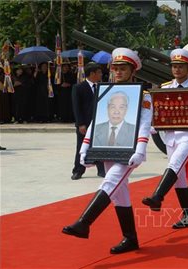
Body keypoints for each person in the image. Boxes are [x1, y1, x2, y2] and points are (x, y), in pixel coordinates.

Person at [63, 48, 152, 254]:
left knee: (110, 182)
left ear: (133, 70)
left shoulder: (143, 95)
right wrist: (85, 148)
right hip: (107, 147)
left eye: (123, 68)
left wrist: (140, 149)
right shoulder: (106, 91)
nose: (118, 72)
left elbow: (145, 124)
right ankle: (130, 239)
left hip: (129, 151)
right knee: (120, 195)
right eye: (116, 68)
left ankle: (84, 222)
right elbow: (96, 122)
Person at [142, 48, 188, 228]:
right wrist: (154, 125)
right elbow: (158, 112)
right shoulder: (165, 88)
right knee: (179, 177)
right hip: (171, 136)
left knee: (174, 164)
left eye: (181, 66)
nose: (177, 70)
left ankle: (157, 196)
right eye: (174, 66)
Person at [71, 62, 105, 180]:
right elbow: (77, 107)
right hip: (84, 123)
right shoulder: (79, 88)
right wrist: (80, 124)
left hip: (99, 123)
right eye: (99, 72)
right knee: (81, 147)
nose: (101, 74)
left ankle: (101, 169)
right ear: (92, 73)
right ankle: (78, 170)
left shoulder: (102, 87)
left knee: (99, 146)